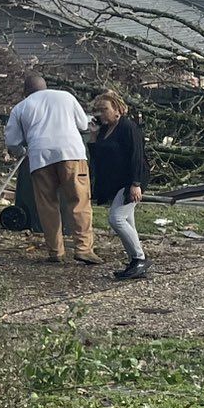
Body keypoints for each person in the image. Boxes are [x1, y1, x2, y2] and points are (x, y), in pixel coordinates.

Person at [3, 73, 99, 264]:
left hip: (40, 157)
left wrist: (22, 151)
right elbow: (82, 124)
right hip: (71, 153)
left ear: (25, 92)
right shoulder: (66, 97)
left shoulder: (21, 107)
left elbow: (12, 141)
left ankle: (56, 252)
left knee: (48, 205)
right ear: (45, 86)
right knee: (79, 200)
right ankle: (83, 249)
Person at [88, 92, 151, 281]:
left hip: (131, 180)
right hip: (115, 181)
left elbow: (136, 155)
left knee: (117, 219)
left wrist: (136, 183)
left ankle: (139, 258)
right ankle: (135, 261)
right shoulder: (105, 130)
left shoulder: (127, 127)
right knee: (127, 221)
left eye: (105, 109)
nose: (102, 114)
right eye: (98, 110)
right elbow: (98, 157)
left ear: (117, 109)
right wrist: (93, 136)